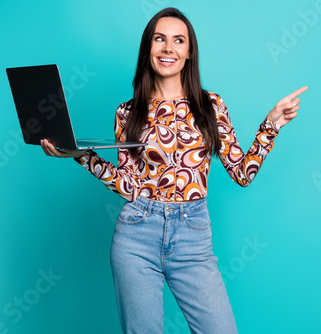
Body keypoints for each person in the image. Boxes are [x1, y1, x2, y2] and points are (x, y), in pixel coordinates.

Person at [41, 7, 307, 334]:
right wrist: (79, 155)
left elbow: (242, 173)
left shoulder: (211, 105)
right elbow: (128, 185)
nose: (168, 48)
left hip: (193, 237)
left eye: (178, 41)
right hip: (137, 234)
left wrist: (272, 125)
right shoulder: (127, 112)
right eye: (160, 39)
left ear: (189, 53)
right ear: (148, 49)